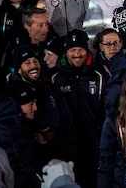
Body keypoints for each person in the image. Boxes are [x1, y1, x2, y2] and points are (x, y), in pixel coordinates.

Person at [50, 29, 105, 187]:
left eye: (80, 49)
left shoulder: (99, 75)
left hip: (94, 144)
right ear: (66, 52)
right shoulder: (55, 78)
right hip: (67, 146)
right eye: (72, 50)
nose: (77, 54)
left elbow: (106, 109)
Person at [0, 80, 41, 188]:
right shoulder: (16, 128)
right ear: (18, 105)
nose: (35, 108)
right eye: (31, 103)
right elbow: (28, 166)